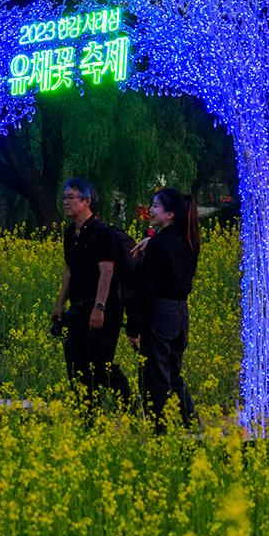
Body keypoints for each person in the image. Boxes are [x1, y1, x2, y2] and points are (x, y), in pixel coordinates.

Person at [51, 177, 131, 410]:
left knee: (99, 363)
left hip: (103, 309)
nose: (65, 202)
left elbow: (107, 271)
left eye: (71, 197)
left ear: (87, 201)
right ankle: (88, 414)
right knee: (76, 365)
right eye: (64, 197)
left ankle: (128, 404)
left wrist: (99, 307)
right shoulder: (69, 234)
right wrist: (59, 305)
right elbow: (69, 272)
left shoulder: (102, 233)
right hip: (77, 307)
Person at [127, 188, 199, 433]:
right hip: (180, 313)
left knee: (156, 376)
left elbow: (147, 288)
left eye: (156, 206)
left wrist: (134, 325)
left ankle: (162, 432)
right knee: (173, 373)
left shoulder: (159, 245)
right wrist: (153, 241)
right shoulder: (189, 240)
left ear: (169, 214)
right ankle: (191, 425)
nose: (151, 209)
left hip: (160, 312)